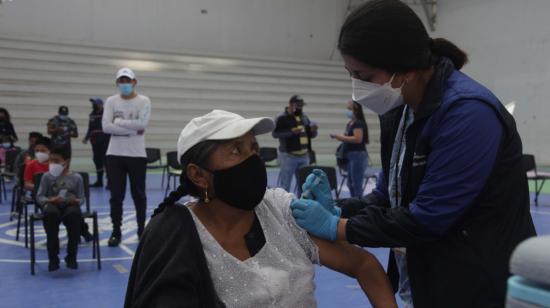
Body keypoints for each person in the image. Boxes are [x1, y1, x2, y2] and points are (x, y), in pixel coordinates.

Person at [291, 1, 536, 307]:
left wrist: (337, 227)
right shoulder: (399, 108)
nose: (356, 86)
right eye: (350, 74)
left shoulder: (468, 114)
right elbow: (388, 195)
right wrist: (341, 209)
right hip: (424, 276)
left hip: (477, 281)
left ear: (404, 70)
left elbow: (428, 218)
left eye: (363, 75)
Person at [125, 110, 396, 308]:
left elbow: (364, 264)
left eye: (253, 148)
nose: (252, 160)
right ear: (198, 175)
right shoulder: (178, 237)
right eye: (235, 150)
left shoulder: (279, 210)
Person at [103, 67, 151, 246]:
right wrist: (132, 130)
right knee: (116, 196)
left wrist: (120, 123)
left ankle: (141, 229)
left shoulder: (144, 101)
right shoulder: (111, 101)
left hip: (137, 154)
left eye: (127, 81)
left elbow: (143, 123)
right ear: (117, 83)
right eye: (121, 81)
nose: (124, 84)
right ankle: (116, 231)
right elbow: (106, 127)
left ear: (134, 82)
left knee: (139, 194)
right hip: (114, 154)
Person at [36, 146, 84, 271]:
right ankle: (53, 258)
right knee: (51, 215)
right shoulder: (46, 177)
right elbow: (40, 197)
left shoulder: (77, 178)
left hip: (70, 205)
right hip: (53, 205)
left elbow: (81, 198)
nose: (52, 164)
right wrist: (50, 200)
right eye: (51, 161)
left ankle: (71, 257)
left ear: (66, 162)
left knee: (73, 216)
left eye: (56, 161)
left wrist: (76, 201)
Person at [273, 95, 318, 192]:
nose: (300, 107)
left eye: (301, 105)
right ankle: (284, 206)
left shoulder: (304, 117)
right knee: (285, 186)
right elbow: (275, 134)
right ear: (290, 104)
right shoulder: (281, 117)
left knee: (305, 186)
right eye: (298, 105)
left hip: (304, 156)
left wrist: (313, 131)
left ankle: (302, 206)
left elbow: (310, 135)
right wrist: (292, 132)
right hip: (288, 156)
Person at [330, 101, 369, 198]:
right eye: (347, 108)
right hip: (350, 155)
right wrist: (338, 136)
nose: (347, 111)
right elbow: (349, 137)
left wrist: (341, 137)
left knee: (356, 184)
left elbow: (358, 139)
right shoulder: (350, 123)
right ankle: (354, 202)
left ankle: (359, 205)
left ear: (356, 110)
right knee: (350, 183)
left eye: (349, 109)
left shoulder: (358, 123)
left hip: (358, 156)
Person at [83, 97, 111, 187]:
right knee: (97, 160)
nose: (93, 105)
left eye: (95, 103)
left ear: (101, 104)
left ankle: (110, 182)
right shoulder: (92, 114)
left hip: (105, 140)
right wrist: (86, 138)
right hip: (95, 141)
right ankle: (99, 181)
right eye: (93, 103)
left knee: (106, 161)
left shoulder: (107, 114)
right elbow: (90, 128)